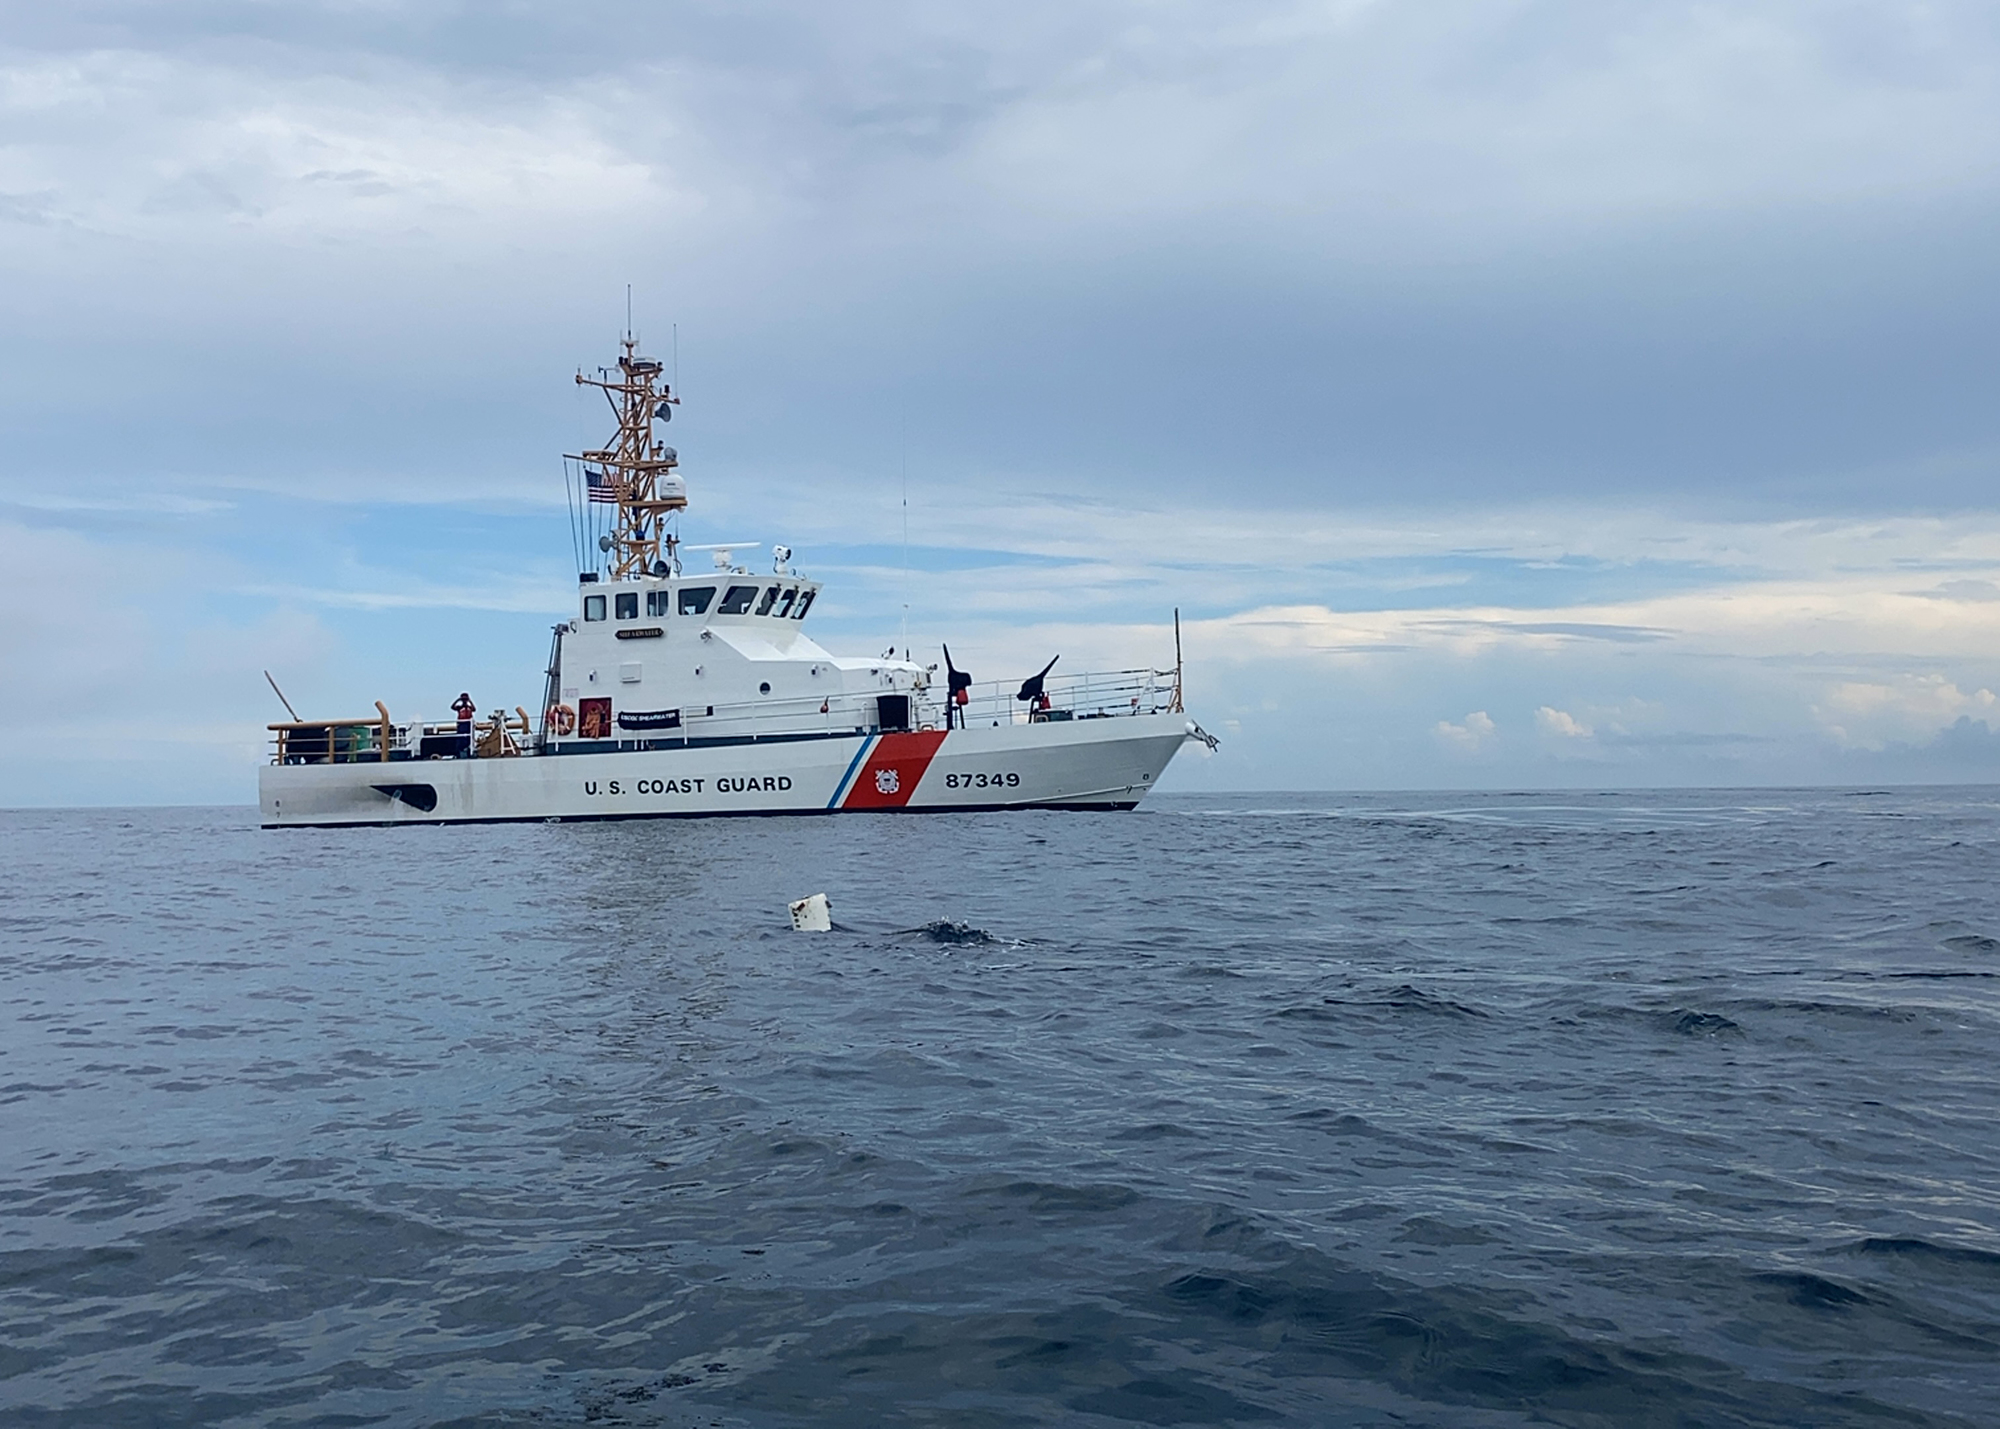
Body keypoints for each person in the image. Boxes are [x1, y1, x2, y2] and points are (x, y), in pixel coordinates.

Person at [452, 692, 476, 757]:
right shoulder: (459, 707)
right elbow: (452, 707)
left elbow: (474, 709)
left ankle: (468, 750)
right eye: (463, 699)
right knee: (460, 738)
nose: (464, 700)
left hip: (468, 724)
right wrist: (458, 700)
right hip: (461, 724)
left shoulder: (469, 707)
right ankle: (459, 752)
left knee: (469, 738)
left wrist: (469, 701)